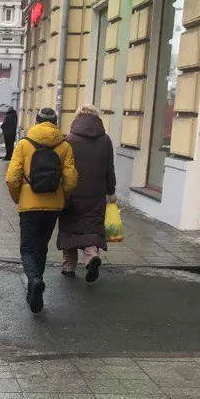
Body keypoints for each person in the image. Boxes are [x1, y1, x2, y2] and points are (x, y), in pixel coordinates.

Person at [6, 106, 78, 314]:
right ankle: (35, 289)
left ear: (36, 121)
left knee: (27, 249)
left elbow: (12, 178)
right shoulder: (64, 146)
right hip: (53, 206)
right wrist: (61, 196)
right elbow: (71, 179)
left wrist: (18, 197)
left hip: (29, 206)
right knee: (42, 247)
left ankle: (34, 280)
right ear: (55, 123)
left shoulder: (24, 144)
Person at [58, 104, 116, 283]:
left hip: (73, 192)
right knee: (92, 226)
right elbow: (109, 169)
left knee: (70, 227)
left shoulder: (70, 139)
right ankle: (91, 257)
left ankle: (68, 267)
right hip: (96, 194)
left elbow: (64, 167)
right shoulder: (105, 140)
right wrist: (111, 191)